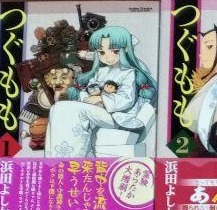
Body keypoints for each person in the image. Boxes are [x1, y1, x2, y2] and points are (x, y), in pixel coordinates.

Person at [45, 26, 156, 157]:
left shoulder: (129, 73)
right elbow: (87, 89)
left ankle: (72, 157)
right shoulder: (101, 71)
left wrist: (101, 99)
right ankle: (54, 156)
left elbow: (127, 99)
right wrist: (88, 97)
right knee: (58, 107)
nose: (108, 57)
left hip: (118, 116)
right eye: (102, 52)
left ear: (125, 49)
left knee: (78, 110)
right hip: (97, 111)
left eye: (114, 51)